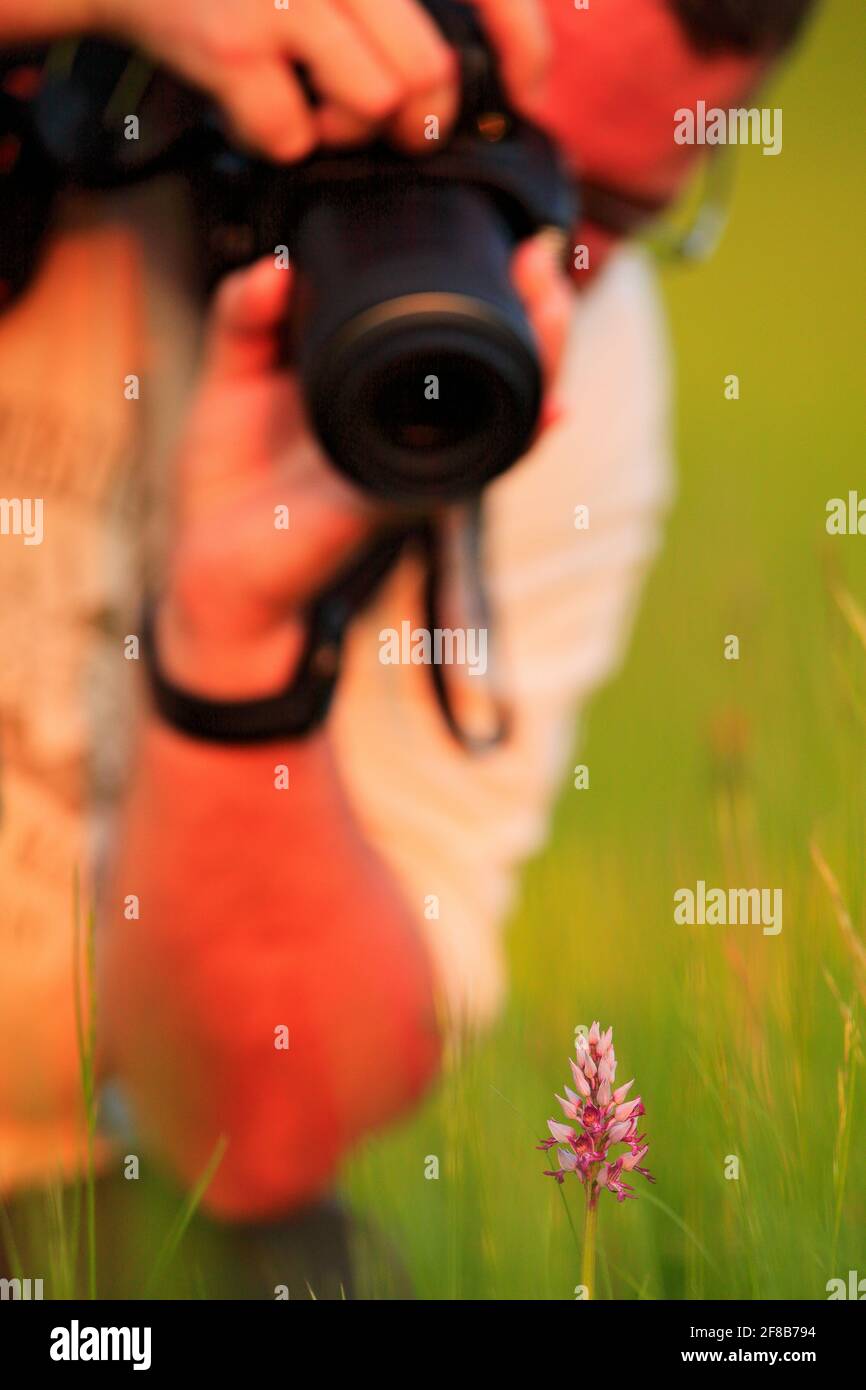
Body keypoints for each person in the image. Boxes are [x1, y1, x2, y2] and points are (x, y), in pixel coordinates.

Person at [0, 1, 815, 1224]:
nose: (517, 259)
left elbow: (263, 1135)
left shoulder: (560, 380)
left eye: (603, 216)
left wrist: (240, 648)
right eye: (463, 150)